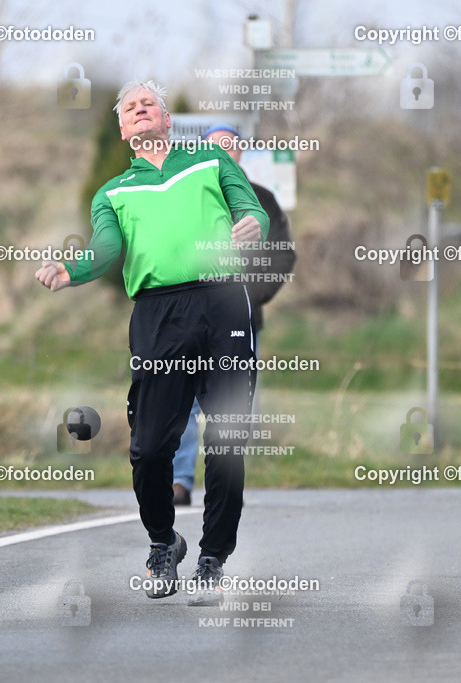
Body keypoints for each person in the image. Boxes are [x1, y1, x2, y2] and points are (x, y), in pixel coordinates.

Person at [35, 80, 269, 604]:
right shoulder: (113, 193)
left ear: (165, 118)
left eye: (148, 103)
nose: (139, 110)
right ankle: (164, 543)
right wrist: (69, 270)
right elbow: (104, 249)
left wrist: (252, 223)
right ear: (123, 129)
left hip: (223, 303)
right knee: (147, 449)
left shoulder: (209, 159)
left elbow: (253, 210)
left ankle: (213, 558)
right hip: (158, 317)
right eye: (129, 108)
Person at [172, 124, 296, 506]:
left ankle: (222, 486)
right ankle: (179, 481)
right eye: (215, 147)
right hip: (190, 318)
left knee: (230, 405)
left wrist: (253, 294)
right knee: (185, 400)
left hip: (241, 321)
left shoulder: (263, 200)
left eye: (230, 146)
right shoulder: (185, 198)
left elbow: (282, 254)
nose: (224, 153)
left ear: (241, 152)